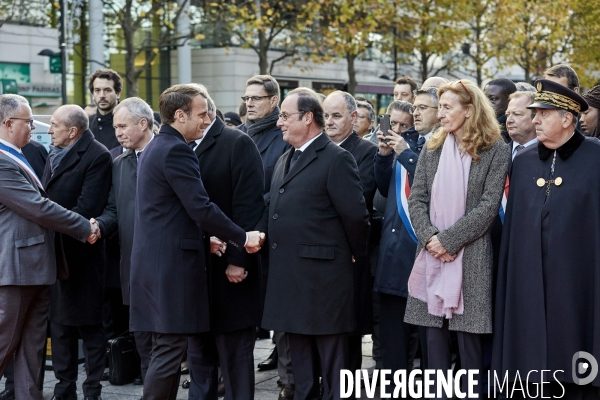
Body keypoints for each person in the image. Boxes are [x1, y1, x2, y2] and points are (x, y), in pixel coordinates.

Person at [129, 83, 264, 400]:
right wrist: (242, 237)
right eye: (202, 114)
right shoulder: (176, 150)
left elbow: (168, 214)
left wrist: (210, 241)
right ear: (180, 115)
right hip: (172, 270)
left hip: (159, 266)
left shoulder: (155, 147)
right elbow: (200, 208)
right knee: (169, 351)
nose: (208, 119)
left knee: (168, 349)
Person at [259, 87, 370, 400]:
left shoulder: (337, 158)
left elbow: (356, 217)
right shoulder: (285, 158)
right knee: (301, 365)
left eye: (284, 115)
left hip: (324, 282)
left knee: (334, 364)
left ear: (307, 118)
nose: (279, 122)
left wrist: (352, 254)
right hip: (291, 280)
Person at [493, 79, 600, 398]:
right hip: (528, 288)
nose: (535, 119)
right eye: (534, 113)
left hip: (579, 289)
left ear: (567, 118)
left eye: (542, 113)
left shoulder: (596, 159)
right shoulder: (523, 163)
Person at [404, 80, 510, 399]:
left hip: (472, 256)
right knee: (433, 345)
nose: (441, 114)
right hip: (432, 255)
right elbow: (417, 198)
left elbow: (488, 205)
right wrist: (431, 238)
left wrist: (447, 241)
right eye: (441, 107)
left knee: (470, 348)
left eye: (448, 107)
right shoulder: (433, 146)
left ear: (469, 110)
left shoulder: (496, 150)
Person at [0, 94, 95, 400]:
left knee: (31, 349)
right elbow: (38, 207)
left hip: (35, 268)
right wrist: (84, 226)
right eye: (29, 122)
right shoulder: (2, 162)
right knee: (4, 344)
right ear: (8, 123)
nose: (35, 127)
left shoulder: (18, 154)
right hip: (15, 270)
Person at [186, 94, 265, 400]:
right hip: (196, 270)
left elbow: (248, 207)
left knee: (234, 360)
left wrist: (239, 259)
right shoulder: (182, 145)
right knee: (199, 358)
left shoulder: (237, 143)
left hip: (230, 274)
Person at [42, 105, 113, 400]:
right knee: (59, 327)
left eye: (55, 125)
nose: (49, 130)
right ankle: (64, 386)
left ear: (72, 131)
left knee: (89, 327)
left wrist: (44, 219)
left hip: (82, 255)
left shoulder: (97, 155)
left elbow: (87, 208)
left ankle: (92, 389)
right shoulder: (53, 154)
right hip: (54, 253)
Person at [373, 87, 440, 382]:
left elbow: (436, 187)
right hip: (394, 253)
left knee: (430, 345)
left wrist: (405, 154)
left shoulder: (443, 146)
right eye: (416, 107)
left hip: (425, 254)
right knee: (392, 343)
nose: (415, 113)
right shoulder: (407, 143)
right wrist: (384, 156)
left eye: (422, 107)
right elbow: (384, 185)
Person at [92, 97, 155, 386]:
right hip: (131, 259)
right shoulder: (118, 163)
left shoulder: (171, 154)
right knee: (139, 326)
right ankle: (147, 374)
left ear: (144, 123)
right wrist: (96, 226)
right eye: (115, 126)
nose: (117, 132)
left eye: (122, 126)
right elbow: (114, 209)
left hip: (167, 260)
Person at [323, 91, 377, 376]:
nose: (329, 122)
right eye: (326, 116)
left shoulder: (367, 152)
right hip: (319, 257)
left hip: (349, 254)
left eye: (336, 116)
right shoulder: (314, 148)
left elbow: (361, 200)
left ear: (354, 118)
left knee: (348, 333)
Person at [88, 68, 123, 150]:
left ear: (118, 94)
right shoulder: (86, 126)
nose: (102, 95)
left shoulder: (129, 123)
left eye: (107, 90)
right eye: (97, 90)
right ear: (93, 94)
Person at [505, 91, 538, 159]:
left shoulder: (551, 154)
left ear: (535, 116)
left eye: (517, 114)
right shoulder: (498, 153)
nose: (509, 120)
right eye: (507, 115)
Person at [484, 78, 517, 143]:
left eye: (492, 99)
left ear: (510, 100)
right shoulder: (477, 126)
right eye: (484, 99)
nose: (486, 103)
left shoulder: (517, 131)